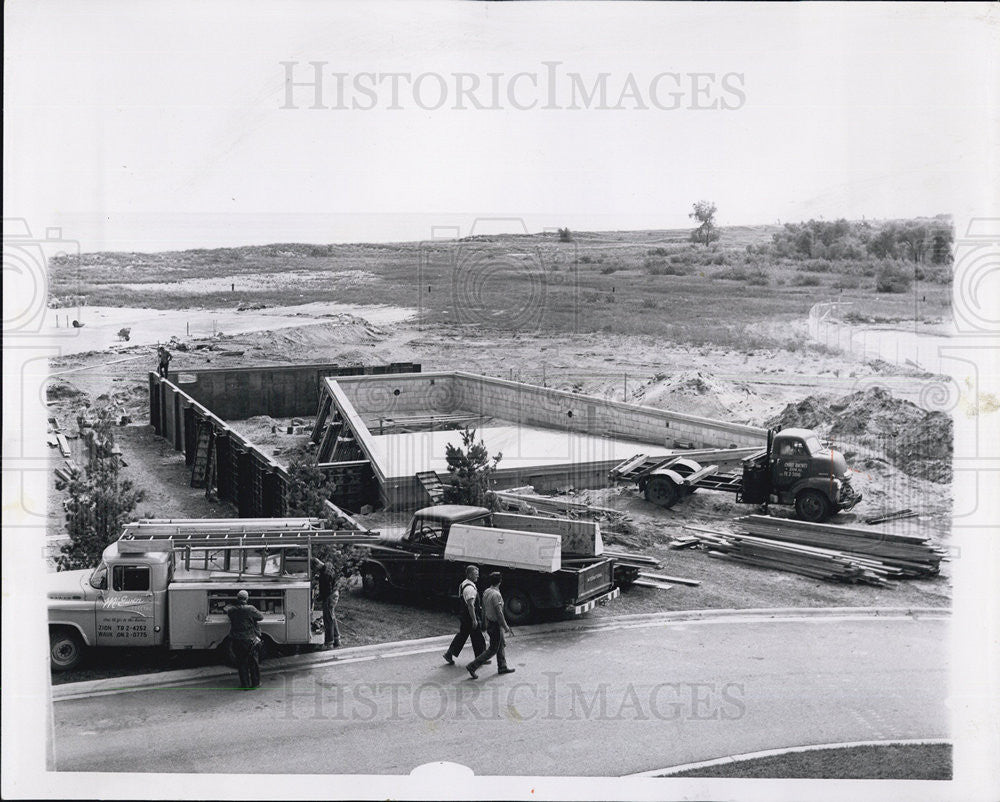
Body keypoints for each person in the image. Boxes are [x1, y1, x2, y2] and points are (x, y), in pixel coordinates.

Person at [467, 572, 515, 679]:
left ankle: (502, 666)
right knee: (493, 649)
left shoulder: (487, 592)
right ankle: (472, 666)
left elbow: (484, 608)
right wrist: (506, 626)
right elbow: (499, 613)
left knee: (501, 644)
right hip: (496, 625)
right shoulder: (496, 594)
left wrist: (485, 622)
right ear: (500, 581)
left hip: (489, 622)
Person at [443, 565, 486, 666]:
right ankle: (480, 658)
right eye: (476, 574)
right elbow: (471, 605)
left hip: (465, 616)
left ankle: (449, 654)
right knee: (478, 637)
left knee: (463, 636)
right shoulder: (470, 588)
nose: (477, 576)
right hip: (470, 617)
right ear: (470, 574)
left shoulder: (464, 584)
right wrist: (474, 620)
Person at [225, 589, 264, 689]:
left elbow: (227, 611)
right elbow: (261, 617)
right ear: (247, 598)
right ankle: (255, 683)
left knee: (241, 662)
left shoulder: (231, 610)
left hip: (237, 639)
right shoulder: (250, 609)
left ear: (237, 598)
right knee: (253, 662)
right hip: (249, 639)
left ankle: (245, 684)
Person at [312, 558, 340, 648]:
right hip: (335, 593)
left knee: (328, 619)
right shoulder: (329, 565)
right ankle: (337, 639)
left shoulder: (324, 575)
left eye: (315, 568)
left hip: (329, 596)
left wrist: (318, 598)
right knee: (332, 617)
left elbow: (326, 592)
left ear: (317, 565)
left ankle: (329, 643)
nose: (315, 571)